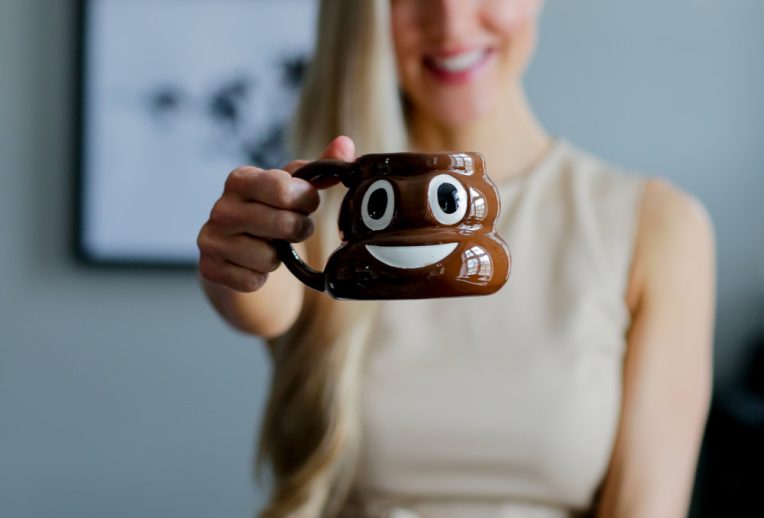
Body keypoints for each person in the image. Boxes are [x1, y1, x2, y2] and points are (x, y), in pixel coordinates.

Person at [196, 0, 716, 516]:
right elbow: (258, 299)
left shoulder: (658, 227)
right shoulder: (331, 211)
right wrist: (234, 262)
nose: (450, 20)